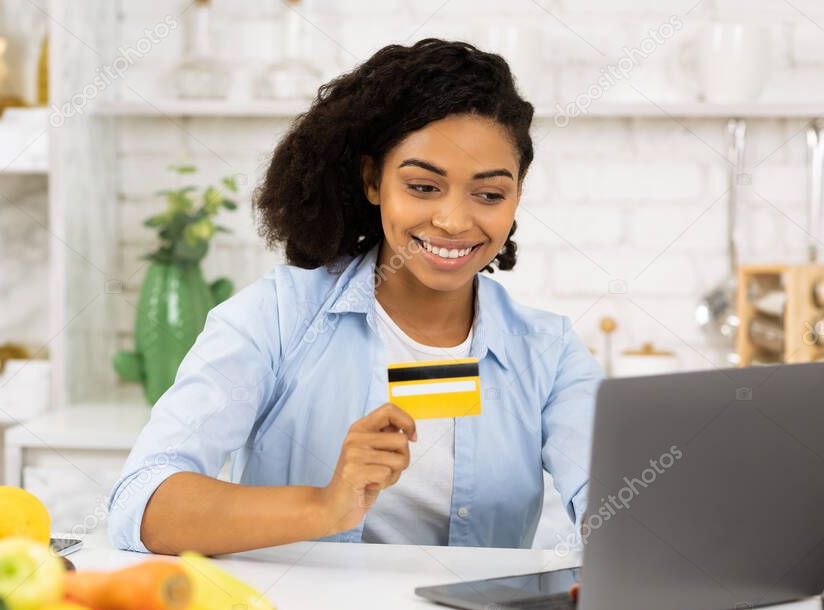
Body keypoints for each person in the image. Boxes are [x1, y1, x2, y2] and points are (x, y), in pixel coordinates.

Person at [108, 38, 603, 556]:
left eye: (488, 194)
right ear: (373, 180)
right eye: (423, 187)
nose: (454, 221)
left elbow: (616, 500)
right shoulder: (278, 317)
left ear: (517, 194)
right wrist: (325, 506)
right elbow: (141, 504)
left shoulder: (547, 351)